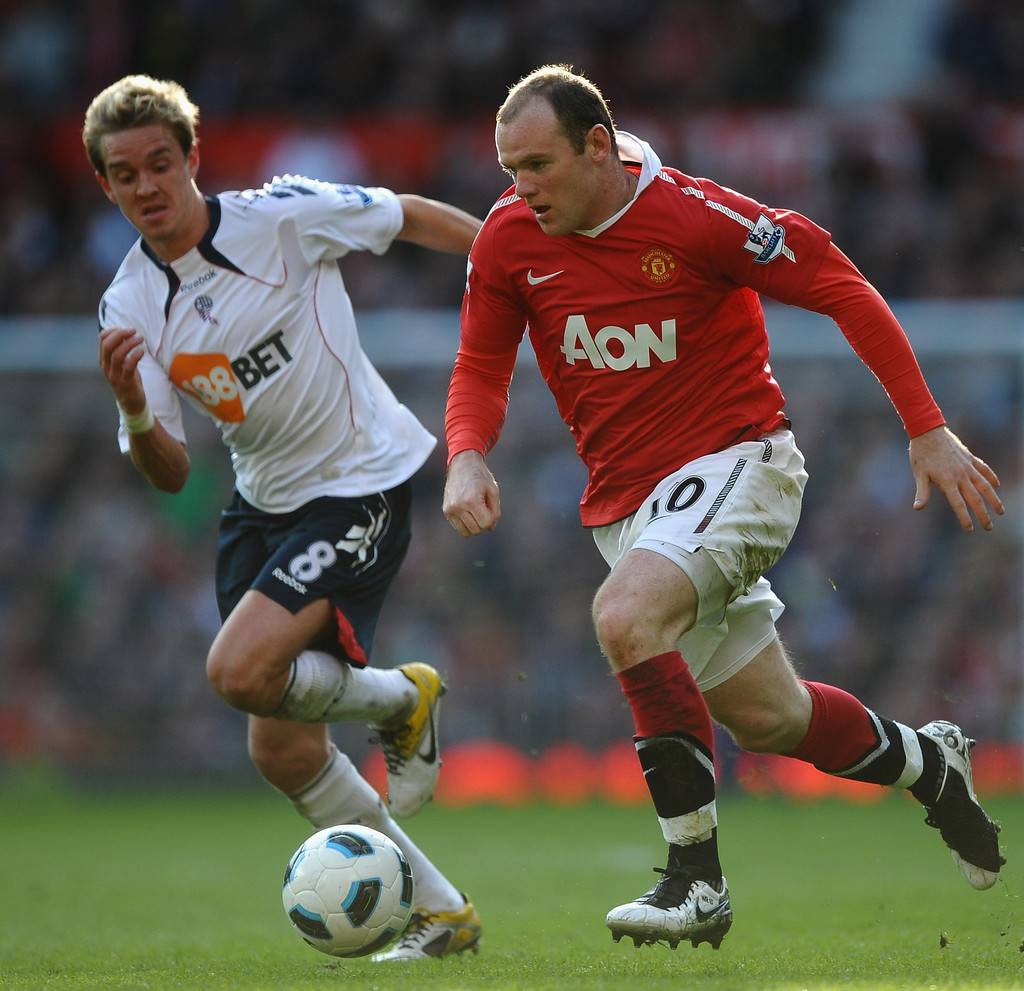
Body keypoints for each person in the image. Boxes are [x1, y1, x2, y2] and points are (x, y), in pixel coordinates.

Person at [442, 64, 1006, 951]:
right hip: (629, 507)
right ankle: (930, 763)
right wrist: (467, 454)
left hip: (742, 462)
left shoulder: (697, 216)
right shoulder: (510, 240)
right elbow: (478, 365)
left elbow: (837, 282)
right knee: (772, 718)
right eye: (510, 168)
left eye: (539, 165)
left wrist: (926, 426)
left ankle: (694, 880)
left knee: (625, 617)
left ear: (598, 146)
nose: (521, 188)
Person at [84, 74, 483, 962]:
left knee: (235, 669)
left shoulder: (283, 216)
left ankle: (398, 696)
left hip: (361, 482)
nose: (146, 186)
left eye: (160, 163)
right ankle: (442, 912)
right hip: (261, 506)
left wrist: (523, 270)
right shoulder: (129, 307)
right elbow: (169, 469)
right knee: (282, 749)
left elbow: (408, 214)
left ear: (193, 159)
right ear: (105, 186)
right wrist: (140, 412)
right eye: (124, 174)